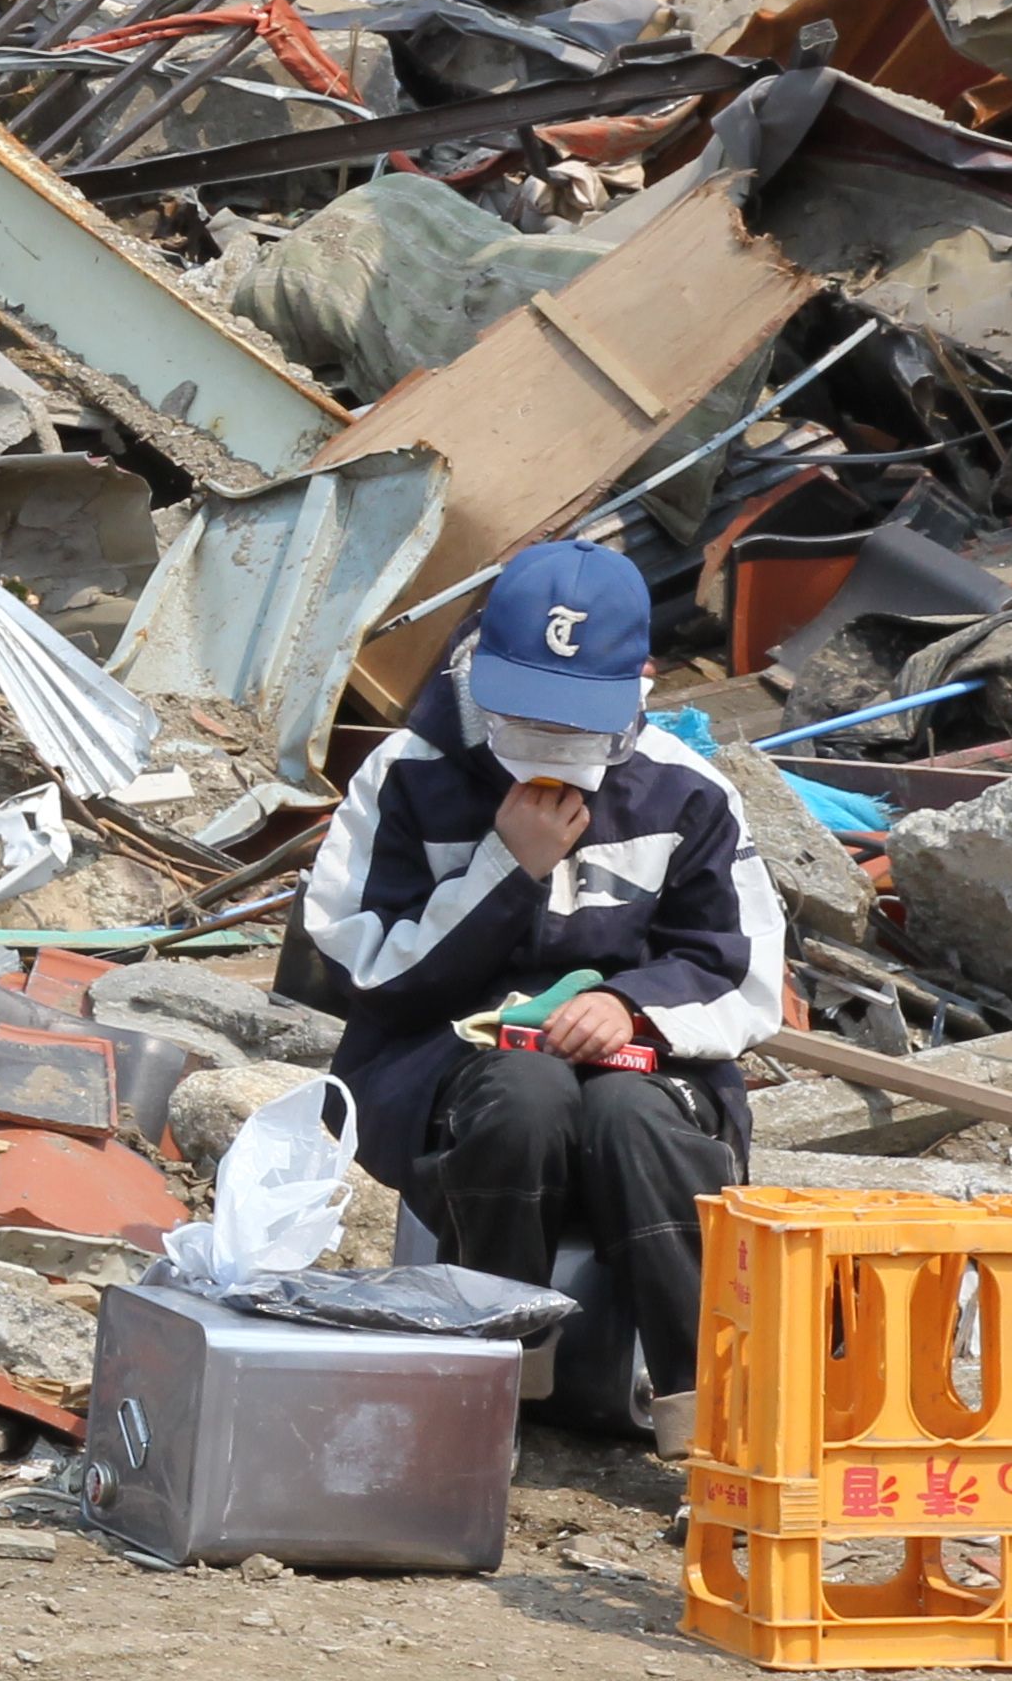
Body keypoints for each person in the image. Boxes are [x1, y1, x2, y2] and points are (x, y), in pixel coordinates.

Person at [293, 536, 784, 1408]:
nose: (549, 743)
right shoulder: (407, 778)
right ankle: (501, 1372)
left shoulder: (687, 794)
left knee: (633, 1114)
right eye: (524, 713)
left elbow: (739, 970)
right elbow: (358, 967)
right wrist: (504, 871)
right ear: (477, 669)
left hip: (647, 1068)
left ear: (641, 687)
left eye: (576, 720)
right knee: (526, 1095)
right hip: (441, 1065)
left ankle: (708, 1407)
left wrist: (628, 1006)